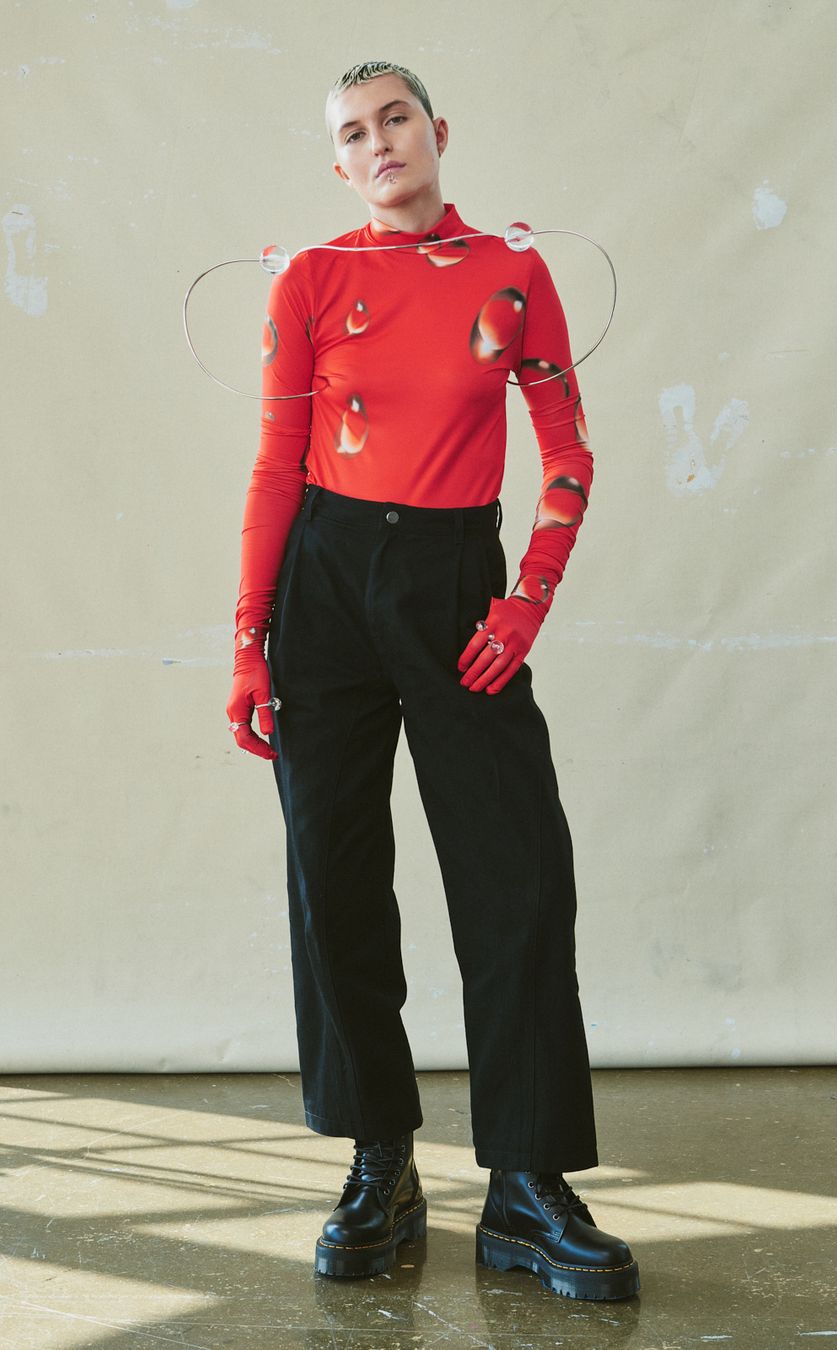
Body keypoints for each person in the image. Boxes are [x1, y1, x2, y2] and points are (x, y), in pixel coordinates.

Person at [226, 59, 640, 1303]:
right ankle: (380, 1164)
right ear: (340, 164)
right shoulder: (311, 279)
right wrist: (249, 638)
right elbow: (275, 464)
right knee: (334, 875)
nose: (379, 142)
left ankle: (527, 1183)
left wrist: (527, 601)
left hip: (458, 579)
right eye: (354, 133)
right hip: (324, 584)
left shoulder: (513, 272)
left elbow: (567, 450)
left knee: (518, 873)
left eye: (395, 117)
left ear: (436, 129)